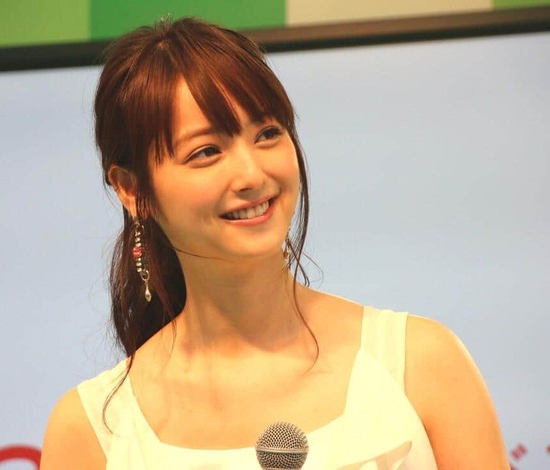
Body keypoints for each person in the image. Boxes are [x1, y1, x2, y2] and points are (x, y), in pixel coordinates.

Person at [40, 17, 509, 469]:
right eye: (206, 152)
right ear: (132, 190)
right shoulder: (93, 431)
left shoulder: (419, 363)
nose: (252, 174)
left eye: (267, 134)